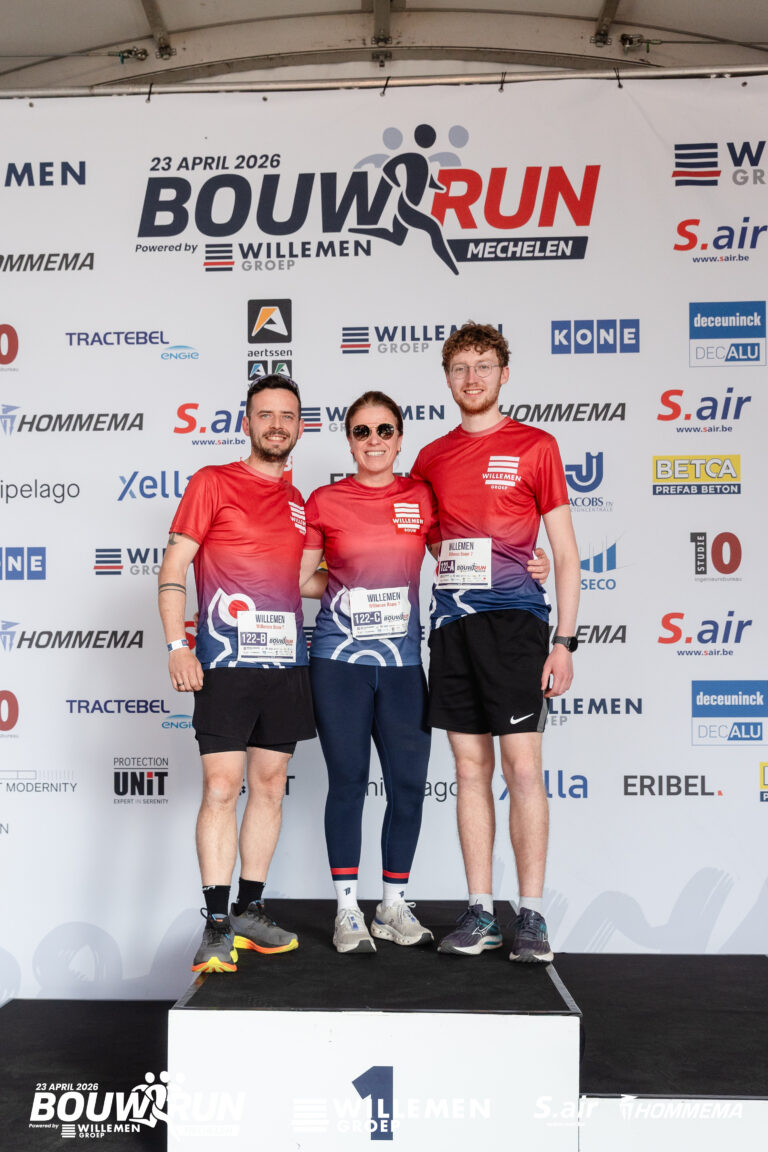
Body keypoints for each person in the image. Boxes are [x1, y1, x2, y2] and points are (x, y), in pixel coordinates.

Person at [299, 390, 550, 954]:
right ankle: (347, 910)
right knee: (348, 782)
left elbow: (457, 556)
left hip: (403, 665)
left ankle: (392, 904)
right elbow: (300, 579)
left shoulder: (419, 495)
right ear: (349, 441)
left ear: (399, 438)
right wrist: (344, 586)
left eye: (384, 430)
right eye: (362, 431)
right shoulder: (325, 500)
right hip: (340, 662)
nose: (374, 441)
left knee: (409, 786)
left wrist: (531, 562)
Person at [410, 323, 580, 963]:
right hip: (452, 628)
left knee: (523, 768)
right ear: (447, 379)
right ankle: (480, 911)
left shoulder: (537, 446)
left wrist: (564, 642)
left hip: (516, 627)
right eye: (460, 368)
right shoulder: (430, 458)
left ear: (504, 374)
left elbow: (565, 554)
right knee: (469, 769)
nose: (472, 378)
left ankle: (530, 915)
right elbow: (429, 542)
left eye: (483, 365)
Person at [157, 375, 320, 973]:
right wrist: (178, 644)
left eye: (287, 415)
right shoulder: (212, 481)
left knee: (270, 786)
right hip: (224, 663)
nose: (277, 424)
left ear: (299, 426)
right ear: (246, 423)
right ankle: (217, 922)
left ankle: (251, 910)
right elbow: (174, 564)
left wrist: (373, 573)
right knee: (222, 788)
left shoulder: (301, 502)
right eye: (265, 414)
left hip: (285, 664)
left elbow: (304, 581)